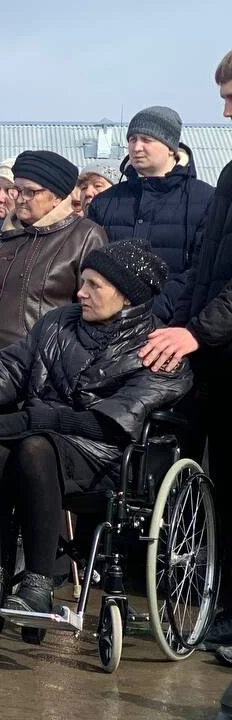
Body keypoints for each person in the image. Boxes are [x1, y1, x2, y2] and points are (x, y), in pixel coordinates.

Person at [0, 241, 190, 627]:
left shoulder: (158, 347)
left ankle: (38, 587)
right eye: (81, 282)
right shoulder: (57, 323)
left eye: (94, 285)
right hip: (40, 441)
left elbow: (113, 421)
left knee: (34, 446)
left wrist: (32, 421)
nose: (80, 292)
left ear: (128, 295)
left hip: (106, 457)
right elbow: (8, 372)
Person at [142, 49, 232, 651]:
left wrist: (199, 330)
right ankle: (218, 605)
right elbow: (206, 265)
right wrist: (174, 324)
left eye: (231, 95)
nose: (224, 109)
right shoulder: (230, 175)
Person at [0, 151, 107, 372]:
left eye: (30, 192)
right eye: (18, 190)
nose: (20, 198)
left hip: (33, 373)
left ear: (57, 197)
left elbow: (95, 314)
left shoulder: (84, 236)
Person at [87, 106, 216, 323]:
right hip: (109, 323)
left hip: (172, 328)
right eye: (132, 139)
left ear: (170, 147)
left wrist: (155, 311)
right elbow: (89, 262)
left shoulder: (205, 200)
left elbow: (201, 268)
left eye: (147, 139)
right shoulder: (105, 201)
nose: (137, 147)